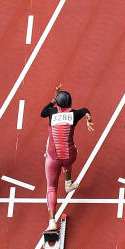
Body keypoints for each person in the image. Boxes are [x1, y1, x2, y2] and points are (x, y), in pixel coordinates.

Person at [40, 84, 93, 231]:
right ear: (70, 103)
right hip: (70, 156)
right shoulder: (74, 114)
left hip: (53, 158)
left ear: (58, 103)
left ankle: (52, 221)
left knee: (51, 188)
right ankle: (68, 183)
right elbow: (85, 110)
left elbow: (42, 113)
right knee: (70, 152)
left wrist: (53, 100)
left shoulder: (51, 112)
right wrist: (88, 117)